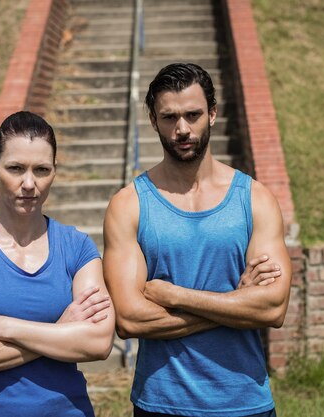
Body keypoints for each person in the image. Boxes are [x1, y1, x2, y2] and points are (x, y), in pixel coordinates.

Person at [102, 63, 292, 417]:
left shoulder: (254, 198)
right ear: (153, 119)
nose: (182, 129)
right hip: (161, 404)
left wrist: (175, 296)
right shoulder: (128, 205)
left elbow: (273, 308)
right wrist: (237, 304)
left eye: (193, 114)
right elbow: (130, 320)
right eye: (170, 117)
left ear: (213, 114)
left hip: (244, 403)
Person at [0, 111, 115, 417]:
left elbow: (98, 343)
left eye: (41, 170)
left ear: (55, 171)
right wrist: (59, 331)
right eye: (16, 168)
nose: (29, 183)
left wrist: (6, 326)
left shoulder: (77, 247)